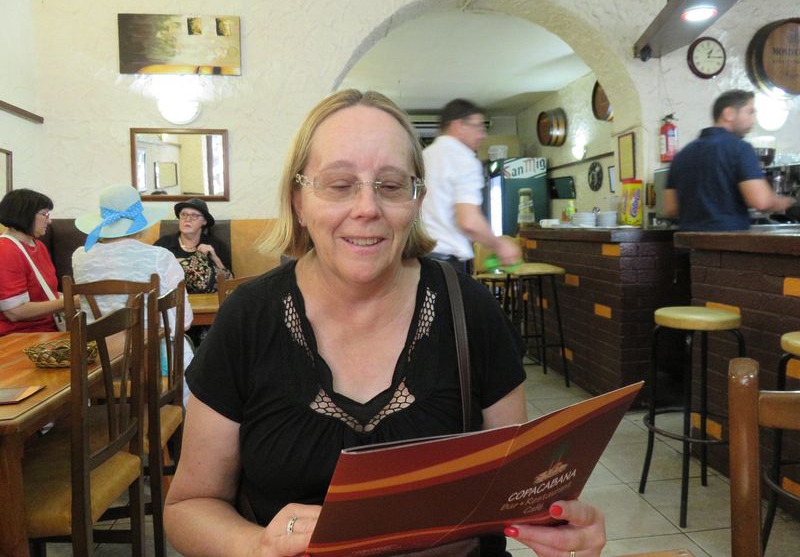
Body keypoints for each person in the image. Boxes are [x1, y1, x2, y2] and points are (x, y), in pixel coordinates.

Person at [164, 89, 606, 557]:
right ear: (298, 200)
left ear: (416, 200)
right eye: (339, 184)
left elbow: (513, 495)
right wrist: (256, 547)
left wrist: (561, 526)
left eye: (391, 186)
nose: (367, 208)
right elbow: (190, 504)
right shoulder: (249, 317)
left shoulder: (470, 311)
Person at [72, 184, 194, 404]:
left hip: (99, 360)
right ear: (139, 223)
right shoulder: (159, 256)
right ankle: (175, 425)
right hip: (151, 361)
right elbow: (183, 321)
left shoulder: (80, 257)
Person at [663, 89, 795, 231]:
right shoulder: (739, 148)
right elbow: (761, 202)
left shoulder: (682, 155)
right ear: (729, 114)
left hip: (688, 246)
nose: (753, 120)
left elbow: (671, 208)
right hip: (728, 246)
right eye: (750, 112)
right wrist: (787, 202)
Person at [420, 99, 521, 272]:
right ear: (459, 126)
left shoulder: (423, 156)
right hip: (445, 263)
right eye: (479, 127)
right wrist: (500, 245)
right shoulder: (464, 160)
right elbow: (468, 221)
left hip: (416, 258)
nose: (483, 135)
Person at [0, 189, 68, 335]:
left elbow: (47, 293)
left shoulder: (39, 246)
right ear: (25, 214)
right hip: (20, 335)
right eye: (44, 214)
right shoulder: (5, 250)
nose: (49, 221)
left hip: (48, 329)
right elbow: (15, 312)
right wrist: (69, 301)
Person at [155, 198, 233, 294]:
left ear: (204, 221)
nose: (187, 219)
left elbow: (230, 282)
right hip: (171, 301)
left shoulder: (215, 245)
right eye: (184, 215)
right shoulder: (164, 244)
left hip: (206, 303)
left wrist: (216, 259)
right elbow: (149, 274)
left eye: (194, 216)